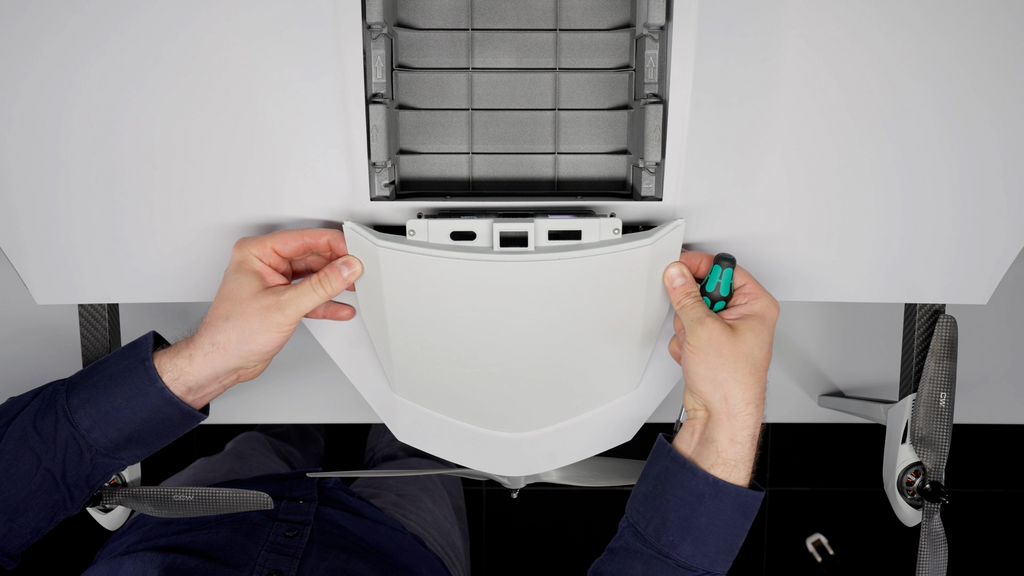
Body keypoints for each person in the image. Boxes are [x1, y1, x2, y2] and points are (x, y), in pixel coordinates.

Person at [0, 228, 779, 575]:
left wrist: (206, 364)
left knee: (273, 428)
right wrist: (724, 413)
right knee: (428, 428)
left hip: (204, 511)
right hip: (396, 543)